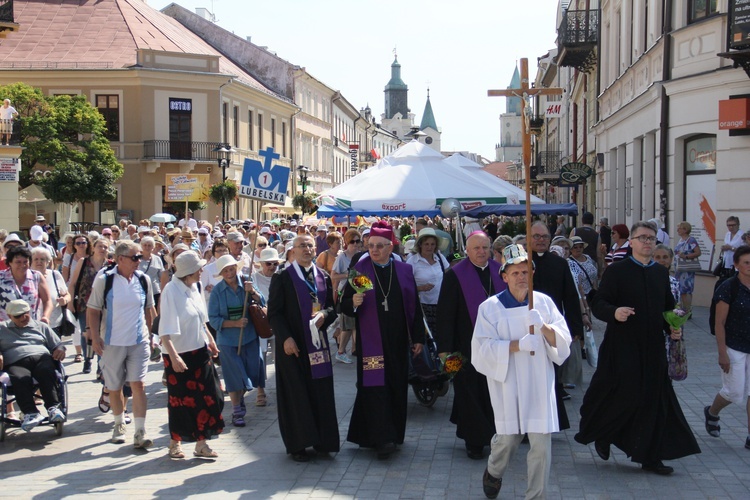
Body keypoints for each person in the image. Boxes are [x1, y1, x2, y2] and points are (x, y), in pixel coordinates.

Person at [575, 221, 701, 475]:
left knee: (654, 400)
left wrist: (673, 327)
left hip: (653, 348)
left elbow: (667, 307)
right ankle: (604, 433)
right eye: (642, 237)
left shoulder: (659, 273)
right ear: (631, 242)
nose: (647, 242)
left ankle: (650, 456)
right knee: (619, 396)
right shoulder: (617, 271)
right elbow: (599, 302)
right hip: (622, 348)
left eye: (651, 238)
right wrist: (615, 312)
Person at [472, 244, 572, 499]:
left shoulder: (544, 304)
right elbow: (481, 349)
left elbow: (563, 342)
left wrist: (544, 327)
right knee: (509, 440)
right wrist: (515, 345)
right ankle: (494, 470)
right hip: (509, 384)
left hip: (539, 382)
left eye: (526, 272)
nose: (521, 277)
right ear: (504, 276)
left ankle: (535, 496)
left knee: (541, 446)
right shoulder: (490, 308)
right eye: (515, 272)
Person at [341, 224, 425, 459]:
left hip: (398, 341)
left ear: (391, 246)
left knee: (396, 386)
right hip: (371, 343)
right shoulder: (362, 269)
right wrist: (353, 302)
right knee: (375, 387)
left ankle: (394, 434)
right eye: (370, 246)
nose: (374, 250)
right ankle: (381, 438)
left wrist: (418, 337)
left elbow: (414, 307)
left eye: (379, 246)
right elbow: (344, 304)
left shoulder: (403, 270)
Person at [268, 234, 340, 462]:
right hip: (293, 346)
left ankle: (322, 441)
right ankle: (298, 444)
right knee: (296, 393)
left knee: (320, 392)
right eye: (302, 246)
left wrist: (324, 315)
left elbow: (332, 308)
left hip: (317, 345)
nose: (307, 249)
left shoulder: (324, 277)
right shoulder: (282, 277)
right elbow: (274, 313)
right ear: (293, 250)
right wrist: (285, 338)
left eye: (310, 245)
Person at [435, 231, 505, 459]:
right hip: (463, 346)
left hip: (496, 346)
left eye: (485, 247)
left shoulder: (500, 271)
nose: (481, 252)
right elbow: (445, 315)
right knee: (468, 391)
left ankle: (493, 434)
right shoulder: (454, 275)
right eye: (476, 248)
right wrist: (444, 350)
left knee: (492, 392)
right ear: (467, 250)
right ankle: (474, 441)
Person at [87, 240, 157, 449]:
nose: (139, 261)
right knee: (114, 387)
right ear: (120, 259)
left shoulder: (143, 280)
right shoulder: (105, 280)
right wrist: (95, 337)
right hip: (112, 342)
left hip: (138, 341)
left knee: (139, 385)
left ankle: (140, 431)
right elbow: (93, 309)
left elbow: (149, 310)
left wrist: (153, 335)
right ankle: (118, 424)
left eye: (140, 257)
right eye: (135, 257)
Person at [159, 251, 224, 459]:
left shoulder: (195, 287)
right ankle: (175, 443)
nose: (202, 271)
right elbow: (165, 328)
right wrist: (174, 356)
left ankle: (201, 444)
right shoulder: (171, 290)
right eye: (198, 268)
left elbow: (201, 319)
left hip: (199, 350)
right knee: (180, 401)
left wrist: (211, 340)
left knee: (209, 397)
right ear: (188, 271)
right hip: (178, 353)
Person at [208, 254, 267, 426]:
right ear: (221, 273)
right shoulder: (217, 292)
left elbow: (262, 302)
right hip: (227, 342)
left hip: (249, 337)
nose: (229, 273)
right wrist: (234, 323)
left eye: (231, 269)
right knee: (234, 376)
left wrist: (253, 292)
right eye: (225, 270)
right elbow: (213, 319)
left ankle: (240, 397)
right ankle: (237, 411)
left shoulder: (246, 283)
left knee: (251, 372)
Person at [530, 221, 582, 414]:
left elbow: (570, 296)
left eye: (544, 237)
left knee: (552, 372)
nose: (541, 240)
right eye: (536, 236)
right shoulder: (522, 262)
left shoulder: (560, 264)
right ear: (529, 239)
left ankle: (550, 415)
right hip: (526, 326)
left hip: (551, 327)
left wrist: (575, 328)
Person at [704, 245, 750, 449]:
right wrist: (722, 353)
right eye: (747, 262)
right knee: (734, 392)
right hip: (734, 346)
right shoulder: (729, 287)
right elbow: (719, 323)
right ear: (737, 264)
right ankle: (712, 412)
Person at [0, 299, 66, 431]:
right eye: (18, 316)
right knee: (19, 378)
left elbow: (58, 344)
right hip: (16, 361)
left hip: (41, 357)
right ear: (9, 316)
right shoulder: (2, 328)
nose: (23, 318)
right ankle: (30, 413)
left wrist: (60, 349)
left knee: (46, 371)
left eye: (26, 314)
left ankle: (53, 408)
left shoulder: (40, 326)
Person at [68, 236, 109, 375]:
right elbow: (73, 283)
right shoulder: (84, 262)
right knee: (87, 333)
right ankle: (87, 359)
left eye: (105, 247)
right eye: (100, 246)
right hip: (84, 304)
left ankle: (100, 364)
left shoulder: (110, 265)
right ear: (94, 248)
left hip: (103, 306)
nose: (102, 249)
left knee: (101, 333)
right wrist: (70, 302)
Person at [30, 248, 75, 354]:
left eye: (42, 259)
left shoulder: (55, 275)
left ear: (48, 261)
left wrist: (65, 300)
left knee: (55, 355)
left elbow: (67, 294)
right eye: (36, 259)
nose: (39, 262)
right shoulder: (27, 277)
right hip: (33, 324)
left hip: (54, 323)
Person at [406, 228, 449, 335]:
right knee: (427, 337)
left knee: (443, 334)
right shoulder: (413, 261)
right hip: (423, 306)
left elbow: (448, 276)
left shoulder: (440, 257)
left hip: (442, 304)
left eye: (432, 244)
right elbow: (405, 285)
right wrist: (420, 288)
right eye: (426, 244)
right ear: (420, 245)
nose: (429, 247)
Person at [330, 229, 363, 363]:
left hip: (360, 291)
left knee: (354, 325)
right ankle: (341, 351)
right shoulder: (342, 257)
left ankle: (354, 350)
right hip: (346, 293)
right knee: (348, 325)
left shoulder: (362, 255)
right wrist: (349, 275)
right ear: (347, 242)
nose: (355, 244)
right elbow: (333, 275)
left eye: (357, 241)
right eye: (352, 241)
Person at [0, 245, 53, 324]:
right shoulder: (1, 277)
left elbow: (47, 301)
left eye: (25, 262)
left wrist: (45, 317)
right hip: (6, 329)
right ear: (10, 262)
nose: (22, 265)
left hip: (32, 326)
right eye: (18, 262)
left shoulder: (36, 276)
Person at [674, 221, 701, 311]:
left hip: (687, 269)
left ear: (685, 230)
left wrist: (686, 256)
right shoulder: (680, 240)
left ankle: (687, 309)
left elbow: (698, 252)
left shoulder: (691, 240)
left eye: (679, 228)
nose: (677, 230)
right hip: (679, 268)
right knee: (680, 289)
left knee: (686, 289)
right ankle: (683, 308)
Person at [138, 236, 165, 309]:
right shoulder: (137, 259)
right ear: (141, 246)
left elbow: (161, 276)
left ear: (153, 247)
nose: (147, 247)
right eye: (145, 245)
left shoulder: (157, 259)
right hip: (140, 291)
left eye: (149, 245)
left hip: (155, 291)